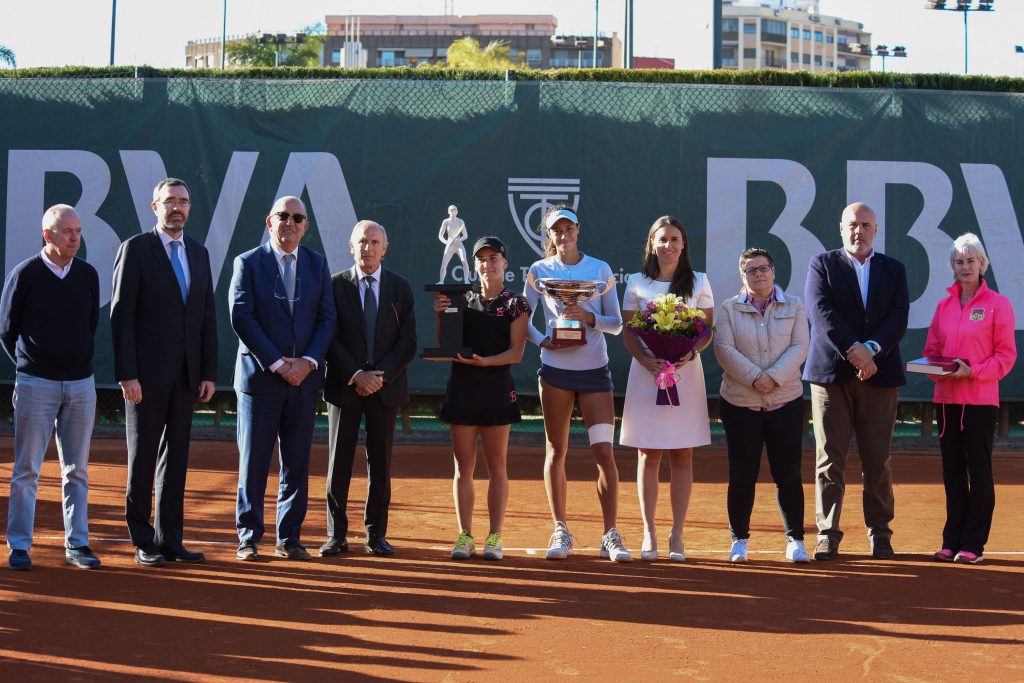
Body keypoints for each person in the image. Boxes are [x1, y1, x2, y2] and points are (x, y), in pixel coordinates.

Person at [111, 178, 218, 567]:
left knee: (176, 461)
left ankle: (170, 539)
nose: (178, 208)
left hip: (187, 378)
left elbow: (206, 314)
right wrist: (127, 374)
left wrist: (208, 371)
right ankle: (143, 541)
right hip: (145, 379)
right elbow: (122, 318)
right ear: (154, 206)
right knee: (142, 460)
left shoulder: (199, 253)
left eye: (184, 202)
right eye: (170, 201)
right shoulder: (136, 249)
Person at [230, 196, 336, 562]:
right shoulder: (247, 262)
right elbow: (242, 317)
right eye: (283, 216)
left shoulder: (317, 264)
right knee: (254, 463)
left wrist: (306, 363)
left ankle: (289, 538)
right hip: (261, 380)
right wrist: (278, 364)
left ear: (306, 225)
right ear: (269, 220)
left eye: (298, 217)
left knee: (296, 463)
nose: (289, 222)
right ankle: (248, 537)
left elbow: (327, 320)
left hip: (304, 383)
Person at [524, 205, 630, 562]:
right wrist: (542, 341)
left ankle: (610, 534)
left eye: (568, 228)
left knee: (603, 452)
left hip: (595, 373)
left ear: (578, 230)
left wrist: (589, 316)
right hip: (554, 372)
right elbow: (521, 320)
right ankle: (561, 529)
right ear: (550, 235)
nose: (563, 234)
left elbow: (616, 323)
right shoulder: (539, 271)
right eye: (557, 230)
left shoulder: (599, 269)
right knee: (557, 450)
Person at [804, 202, 909, 561]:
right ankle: (827, 533)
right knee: (829, 459)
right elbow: (820, 312)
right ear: (841, 227)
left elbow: (898, 316)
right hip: (832, 375)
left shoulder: (893, 269)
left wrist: (872, 350)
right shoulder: (822, 264)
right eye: (852, 224)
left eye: (865, 225)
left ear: (875, 229)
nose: (858, 231)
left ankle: (880, 533)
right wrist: (855, 350)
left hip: (879, 377)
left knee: (877, 460)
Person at [1, 205, 100, 570]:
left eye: (78, 230)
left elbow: (90, 324)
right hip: (35, 385)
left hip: (81, 384)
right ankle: (20, 547)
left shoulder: (87, 275)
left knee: (77, 469)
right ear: (48, 235)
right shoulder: (25, 274)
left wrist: (73, 364)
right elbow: (7, 330)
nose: (75, 237)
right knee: (27, 468)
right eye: (67, 231)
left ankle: (77, 544)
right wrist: (32, 368)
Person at [320, 221, 416, 558]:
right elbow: (327, 338)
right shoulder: (333, 287)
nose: (368, 248)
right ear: (351, 245)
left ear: (385, 248)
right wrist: (357, 373)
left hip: (384, 389)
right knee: (339, 464)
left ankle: (376, 535)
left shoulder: (400, 289)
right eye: (362, 241)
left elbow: (408, 342)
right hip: (346, 387)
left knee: (381, 464)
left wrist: (379, 377)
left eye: (375, 242)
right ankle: (336, 535)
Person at [620, 216, 714, 562]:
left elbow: (706, 330)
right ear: (652, 244)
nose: (669, 245)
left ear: (683, 243)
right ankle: (649, 532)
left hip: (685, 375)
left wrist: (689, 354)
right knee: (648, 453)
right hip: (646, 374)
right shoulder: (636, 283)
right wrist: (648, 363)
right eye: (662, 239)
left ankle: (677, 534)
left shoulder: (699, 281)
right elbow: (630, 332)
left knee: (682, 454)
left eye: (675, 239)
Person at [433, 237, 530, 560]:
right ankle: (465, 536)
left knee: (496, 466)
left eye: (494, 258)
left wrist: (486, 362)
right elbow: (446, 343)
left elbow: (516, 353)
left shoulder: (516, 304)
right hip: (462, 387)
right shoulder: (460, 298)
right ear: (474, 264)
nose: (488, 264)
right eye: (482, 260)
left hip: (497, 389)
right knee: (464, 466)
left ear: (505, 263)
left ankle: (494, 537)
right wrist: (440, 315)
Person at [924, 233, 1016, 564]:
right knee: (952, 471)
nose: (965, 267)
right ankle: (951, 540)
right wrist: (936, 371)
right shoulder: (943, 306)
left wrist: (972, 371)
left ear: (982, 264)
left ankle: (973, 544)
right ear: (952, 267)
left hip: (979, 401)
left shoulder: (998, 305)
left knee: (978, 471)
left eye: (971, 260)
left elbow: (1006, 357)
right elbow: (932, 352)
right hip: (947, 401)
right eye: (959, 262)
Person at [714, 247, 810, 564]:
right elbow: (724, 349)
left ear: (773, 271)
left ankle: (796, 540)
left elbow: (800, 346)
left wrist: (773, 378)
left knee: (789, 475)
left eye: (763, 268)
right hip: (740, 404)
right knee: (742, 475)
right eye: (751, 270)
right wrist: (757, 378)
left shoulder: (794, 306)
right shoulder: (728, 309)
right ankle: (739, 540)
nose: (759, 274)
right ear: (743, 276)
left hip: (786, 402)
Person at [437, 205, 470, 284]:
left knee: (464, 261)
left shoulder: (461, 221)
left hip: (459, 245)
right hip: (449, 246)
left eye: (454, 210)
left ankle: (466, 280)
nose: (453, 212)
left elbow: (465, 235)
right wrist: (446, 242)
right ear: (448, 212)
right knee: (443, 265)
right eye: (451, 210)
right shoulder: (445, 221)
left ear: (457, 212)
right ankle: (441, 281)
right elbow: (440, 236)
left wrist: (458, 240)